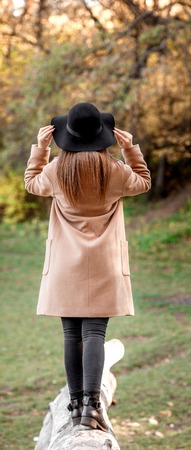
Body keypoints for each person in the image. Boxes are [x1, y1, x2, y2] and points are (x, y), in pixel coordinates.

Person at [24, 102, 151, 432]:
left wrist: (39, 149)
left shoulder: (56, 172)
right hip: (104, 265)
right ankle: (91, 407)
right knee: (95, 332)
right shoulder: (115, 172)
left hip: (65, 266)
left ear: (66, 136)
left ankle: (76, 403)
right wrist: (130, 149)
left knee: (71, 335)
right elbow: (144, 181)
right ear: (103, 136)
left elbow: (31, 182)